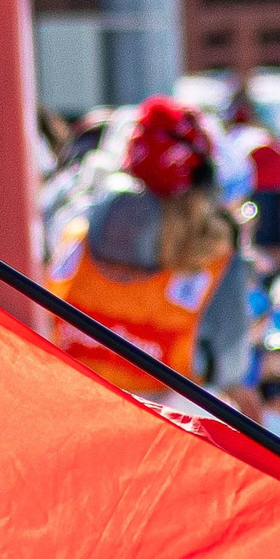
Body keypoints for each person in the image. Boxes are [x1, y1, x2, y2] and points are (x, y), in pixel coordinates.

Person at [43, 96, 255, 406]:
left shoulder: (75, 225)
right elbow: (229, 369)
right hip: (159, 434)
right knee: (239, 404)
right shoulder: (217, 262)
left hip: (68, 407)